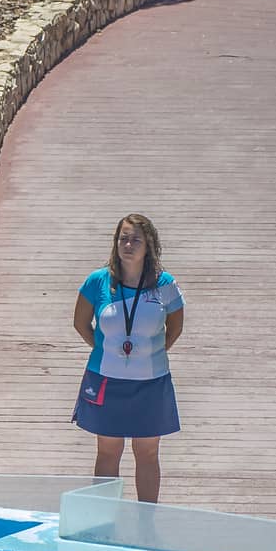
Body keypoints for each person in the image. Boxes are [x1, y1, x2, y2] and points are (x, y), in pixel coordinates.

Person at [71, 213, 185, 502]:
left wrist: (152, 351)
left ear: (149, 246)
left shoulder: (164, 283)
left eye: (136, 239)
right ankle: (103, 521)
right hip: (106, 379)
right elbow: (81, 324)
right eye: (123, 238)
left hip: (150, 382)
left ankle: (146, 523)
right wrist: (104, 347)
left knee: (147, 453)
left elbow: (175, 327)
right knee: (108, 452)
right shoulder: (98, 281)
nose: (129, 244)